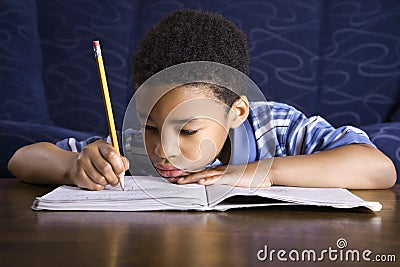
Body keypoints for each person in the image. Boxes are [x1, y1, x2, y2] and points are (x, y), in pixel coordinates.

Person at [8, 10, 396, 191]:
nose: (163, 148)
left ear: (236, 112)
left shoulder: (273, 127)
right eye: (150, 125)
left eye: (189, 129)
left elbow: (379, 170)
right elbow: (21, 159)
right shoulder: (131, 143)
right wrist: (73, 166)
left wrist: (263, 171)